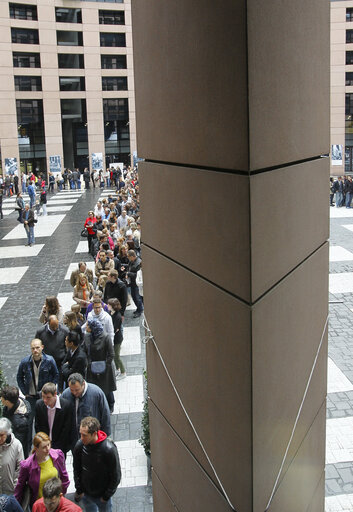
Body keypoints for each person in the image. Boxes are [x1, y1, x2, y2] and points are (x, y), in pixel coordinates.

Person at [17, 339, 59, 452]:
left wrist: (49, 390)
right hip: (30, 397)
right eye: (33, 348)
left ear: (42, 347)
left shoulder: (49, 360)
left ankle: (46, 447)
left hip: (44, 397)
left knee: (45, 422)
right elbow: (19, 377)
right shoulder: (25, 362)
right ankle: (29, 450)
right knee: (29, 423)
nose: (35, 350)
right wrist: (25, 391)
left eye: (37, 347)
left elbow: (56, 375)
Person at [73, 417, 121, 512]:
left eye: (85, 435)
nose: (81, 438)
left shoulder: (108, 449)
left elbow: (116, 475)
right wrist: (79, 489)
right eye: (80, 434)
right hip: (86, 494)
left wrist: (106, 496)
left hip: (102, 496)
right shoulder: (79, 446)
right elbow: (76, 468)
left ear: (94, 434)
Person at [14, 432, 69, 509]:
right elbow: (20, 486)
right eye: (44, 447)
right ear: (36, 448)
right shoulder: (27, 465)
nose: (47, 449)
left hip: (56, 502)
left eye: (48, 445)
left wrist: (62, 494)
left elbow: (64, 476)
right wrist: (16, 506)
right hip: (40, 505)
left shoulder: (57, 455)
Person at [61, 374, 111, 447]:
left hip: (93, 440)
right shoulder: (66, 395)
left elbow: (105, 415)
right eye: (72, 390)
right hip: (74, 440)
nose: (74, 393)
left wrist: (104, 437)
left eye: (77, 390)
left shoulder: (96, 393)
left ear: (83, 384)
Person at [83, 319, 116, 413]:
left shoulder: (105, 337)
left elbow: (111, 354)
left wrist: (106, 365)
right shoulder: (87, 337)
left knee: (107, 388)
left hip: (105, 369)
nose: (86, 327)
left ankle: (110, 405)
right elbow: (85, 350)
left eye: (87, 326)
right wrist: (88, 363)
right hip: (91, 368)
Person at [34, 383, 72, 456]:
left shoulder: (66, 405)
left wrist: (58, 447)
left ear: (55, 394)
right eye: (43, 397)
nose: (45, 400)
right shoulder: (39, 405)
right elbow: (37, 425)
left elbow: (66, 429)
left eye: (48, 397)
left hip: (60, 446)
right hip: (43, 445)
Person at [35, 316, 68, 387]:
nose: (56, 328)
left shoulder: (65, 331)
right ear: (48, 324)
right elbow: (36, 344)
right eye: (53, 327)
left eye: (57, 325)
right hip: (46, 361)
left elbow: (68, 346)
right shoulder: (40, 332)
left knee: (60, 381)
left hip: (60, 361)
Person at [1, 386, 31, 457]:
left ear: (7, 401)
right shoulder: (16, 403)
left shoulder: (19, 422)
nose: (0, 399)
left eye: (2, 398)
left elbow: (16, 444)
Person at [0, 418, 24, 495]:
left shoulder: (16, 445)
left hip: (10, 492)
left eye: (2, 435)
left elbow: (20, 468)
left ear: (7, 433)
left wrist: (15, 487)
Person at [107, 299, 125, 379]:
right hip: (113, 338)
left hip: (117, 339)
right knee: (114, 355)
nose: (107, 306)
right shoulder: (110, 313)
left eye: (109, 305)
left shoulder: (117, 316)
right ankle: (117, 369)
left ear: (113, 306)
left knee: (117, 356)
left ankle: (123, 372)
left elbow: (115, 329)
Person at [127, 250, 144, 317]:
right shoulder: (131, 261)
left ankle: (140, 310)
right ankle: (138, 308)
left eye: (128, 256)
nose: (128, 258)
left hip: (136, 284)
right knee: (134, 296)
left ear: (132, 256)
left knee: (137, 298)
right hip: (132, 283)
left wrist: (129, 273)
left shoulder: (138, 263)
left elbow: (138, 275)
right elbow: (130, 268)